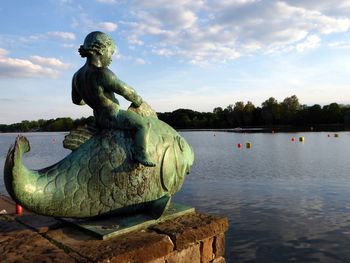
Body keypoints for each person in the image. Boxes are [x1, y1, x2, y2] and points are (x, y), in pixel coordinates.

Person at [71, 31, 155, 167]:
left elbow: (77, 100)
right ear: (102, 50)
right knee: (143, 125)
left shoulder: (77, 76)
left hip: (98, 118)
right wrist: (137, 101)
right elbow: (126, 91)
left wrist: (93, 97)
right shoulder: (103, 74)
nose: (111, 58)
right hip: (112, 116)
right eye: (111, 53)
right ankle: (141, 154)